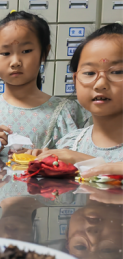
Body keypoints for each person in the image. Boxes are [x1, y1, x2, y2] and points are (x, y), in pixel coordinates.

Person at [0, 11, 90, 151]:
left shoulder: (67, 113)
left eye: (26, 51)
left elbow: (81, 161)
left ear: (44, 53)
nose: (15, 62)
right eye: (5, 53)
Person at [30, 23, 123, 163]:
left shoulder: (72, 154)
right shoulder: (70, 144)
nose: (100, 84)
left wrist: (86, 161)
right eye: (89, 73)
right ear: (75, 80)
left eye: (116, 72)